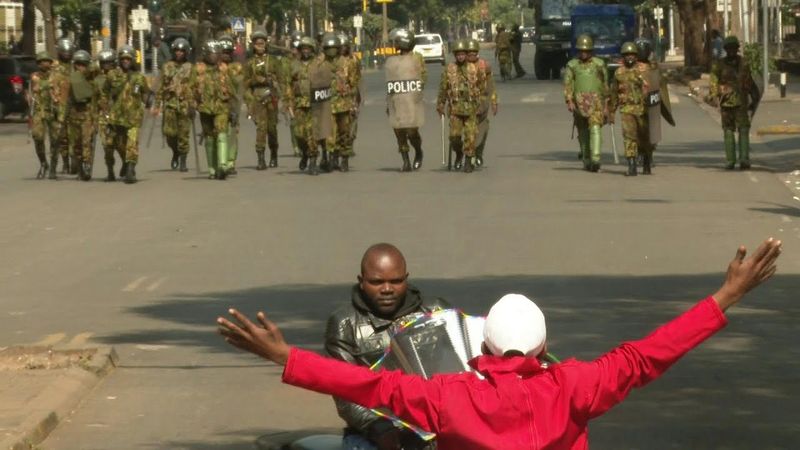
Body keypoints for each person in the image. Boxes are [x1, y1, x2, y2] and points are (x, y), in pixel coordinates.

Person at [218, 237, 782, 450]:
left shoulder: (448, 397)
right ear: (543, 347)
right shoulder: (577, 385)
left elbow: (364, 383)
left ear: (480, 343)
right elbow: (650, 353)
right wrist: (725, 296)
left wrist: (281, 356)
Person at [325, 243, 450, 450]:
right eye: (377, 282)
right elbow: (345, 392)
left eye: (396, 281)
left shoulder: (437, 312)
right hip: (372, 435)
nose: (387, 289)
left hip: (437, 426)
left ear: (406, 279)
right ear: (362, 281)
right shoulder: (344, 324)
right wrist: (379, 428)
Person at [709, 35, 759, 170]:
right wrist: (714, 96)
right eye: (729, 48)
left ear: (737, 49)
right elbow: (713, 80)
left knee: (743, 130)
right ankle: (730, 160)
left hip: (741, 102)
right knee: (728, 130)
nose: (731, 51)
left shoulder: (744, 63)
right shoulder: (719, 65)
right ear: (725, 49)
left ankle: (744, 159)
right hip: (726, 103)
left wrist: (755, 97)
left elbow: (749, 81)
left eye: (733, 48)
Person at [104, 45, 152, 184]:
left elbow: (145, 94)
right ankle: (126, 162)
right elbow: (104, 93)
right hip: (116, 117)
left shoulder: (139, 77)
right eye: (123, 59)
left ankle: (130, 169)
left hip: (134, 117)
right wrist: (104, 108)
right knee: (119, 145)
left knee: (132, 144)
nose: (125, 61)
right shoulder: (112, 75)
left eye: (128, 59)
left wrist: (149, 101)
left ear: (132, 60)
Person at [189, 40, 234, 180]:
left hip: (222, 107)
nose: (213, 56)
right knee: (209, 138)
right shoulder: (198, 69)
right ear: (206, 54)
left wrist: (233, 109)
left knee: (221, 134)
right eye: (211, 53)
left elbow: (231, 89)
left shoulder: (224, 69)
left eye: (216, 53)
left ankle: (222, 165)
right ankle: (212, 169)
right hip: (205, 108)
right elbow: (190, 89)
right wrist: (191, 105)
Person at [564, 34, 609, 172]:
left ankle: (595, 159)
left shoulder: (599, 64)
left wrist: (607, 104)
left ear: (591, 51)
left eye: (586, 51)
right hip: (579, 103)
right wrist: (569, 101)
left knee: (595, 128)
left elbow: (605, 84)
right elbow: (568, 84)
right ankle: (586, 158)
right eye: (581, 51)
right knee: (583, 132)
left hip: (596, 103)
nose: (583, 53)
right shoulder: (572, 65)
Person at [437, 40, 483, 173]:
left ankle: (469, 160)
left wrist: (479, 100)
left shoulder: (475, 68)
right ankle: (459, 153)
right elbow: (443, 88)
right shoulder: (449, 69)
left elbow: (481, 85)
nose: (461, 56)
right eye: (458, 54)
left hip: (471, 110)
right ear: (455, 55)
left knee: (470, 136)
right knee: (454, 137)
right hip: (455, 109)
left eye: (463, 54)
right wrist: (440, 104)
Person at [384, 28, 426, 172]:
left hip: (411, 100)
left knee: (411, 131)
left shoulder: (417, 58)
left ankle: (418, 151)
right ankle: (406, 160)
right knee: (399, 131)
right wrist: (388, 102)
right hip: (396, 100)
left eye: (396, 42)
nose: (393, 45)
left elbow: (422, 78)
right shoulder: (392, 60)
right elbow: (390, 82)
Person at [152, 37, 193, 172]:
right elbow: (161, 87)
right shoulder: (167, 66)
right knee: (169, 134)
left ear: (186, 52)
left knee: (184, 134)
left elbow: (196, 87)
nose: (179, 53)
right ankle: (175, 151)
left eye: (182, 51)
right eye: (177, 50)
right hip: (170, 104)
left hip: (185, 105)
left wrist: (195, 104)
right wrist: (157, 105)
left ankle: (183, 160)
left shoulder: (191, 68)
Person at [244, 31, 283, 170]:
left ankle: (274, 154)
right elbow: (245, 84)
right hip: (257, 98)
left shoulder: (273, 61)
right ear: (253, 45)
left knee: (272, 129)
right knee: (261, 128)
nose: (259, 46)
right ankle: (261, 158)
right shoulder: (249, 63)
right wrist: (250, 100)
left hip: (271, 97)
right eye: (257, 43)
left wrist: (276, 86)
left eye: (262, 43)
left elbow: (281, 80)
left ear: (266, 44)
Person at [609, 42, 649, 177]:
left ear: (636, 56)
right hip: (626, 109)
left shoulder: (644, 70)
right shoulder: (618, 73)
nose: (629, 57)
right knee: (629, 137)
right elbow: (614, 92)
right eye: (626, 55)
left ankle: (646, 161)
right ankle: (631, 165)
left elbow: (655, 87)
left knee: (644, 137)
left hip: (643, 109)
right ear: (623, 57)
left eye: (632, 55)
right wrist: (611, 110)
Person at [285, 37, 321, 175]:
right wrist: (288, 102)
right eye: (303, 48)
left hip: (314, 103)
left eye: (308, 48)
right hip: (299, 103)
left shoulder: (318, 65)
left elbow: (325, 82)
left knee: (312, 133)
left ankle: (312, 160)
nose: (306, 51)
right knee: (299, 134)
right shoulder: (293, 65)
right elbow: (288, 84)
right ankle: (305, 153)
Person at [329, 33, 361, 172]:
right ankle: (333, 157)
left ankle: (345, 159)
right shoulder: (330, 61)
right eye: (339, 47)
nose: (342, 49)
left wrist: (353, 102)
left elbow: (355, 82)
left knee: (346, 132)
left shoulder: (352, 61)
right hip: (331, 101)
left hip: (346, 100)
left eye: (344, 46)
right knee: (332, 132)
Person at [466, 38, 497, 168]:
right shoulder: (459, 66)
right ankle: (467, 152)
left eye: (474, 52)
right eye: (469, 53)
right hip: (465, 102)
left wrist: (494, 101)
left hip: (481, 101)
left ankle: (478, 153)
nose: (472, 55)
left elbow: (490, 85)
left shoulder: (485, 66)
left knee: (481, 129)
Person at [67, 50, 98, 181]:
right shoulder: (71, 78)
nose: (81, 67)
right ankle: (80, 167)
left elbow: (96, 69)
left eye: (83, 64)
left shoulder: (91, 77)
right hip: (74, 115)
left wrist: (87, 68)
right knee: (76, 144)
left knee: (87, 141)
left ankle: (87, 166)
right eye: (78, 64)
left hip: (87, 114)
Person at [94, 50, 122, 181]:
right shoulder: (97, 80)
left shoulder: (120, 76)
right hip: (103, 116)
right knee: (107, 147)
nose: (106, 66)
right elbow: (94, 99)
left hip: (119, 115)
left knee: (121, 145)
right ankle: (110, 171)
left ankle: (127, 164)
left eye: (109, 63)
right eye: (104, 63)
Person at [27, 52, 56, 179]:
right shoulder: (34, 77)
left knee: (55, 140)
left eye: (46, 61)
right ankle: (43, 163)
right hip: (39, 111)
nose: (44, 63)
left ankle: (54, 166)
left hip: (53, 111)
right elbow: (31, 92)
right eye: (41, 61)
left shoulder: (55, 77)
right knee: (38, 138)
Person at [219, 34, 244, 175]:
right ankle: (220, 161)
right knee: (221, 133)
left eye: (228, 52)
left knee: (233, 133)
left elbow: (239, 89)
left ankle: (230, 162)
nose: (226, 55)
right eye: (223, 52)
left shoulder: (237, 68)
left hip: (233, 104)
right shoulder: (214, 68)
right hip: (218, 105)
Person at [51, 37, 75, 174]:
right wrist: (53, 102)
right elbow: (51, 86)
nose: (66, 54)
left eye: (69, 52)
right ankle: (65, 162)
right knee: (62, 137)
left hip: (74, 106)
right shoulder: (55, 68)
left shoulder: (76, 66)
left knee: (74, 136)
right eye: (64, 52)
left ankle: (75, 162)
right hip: (59, 106)